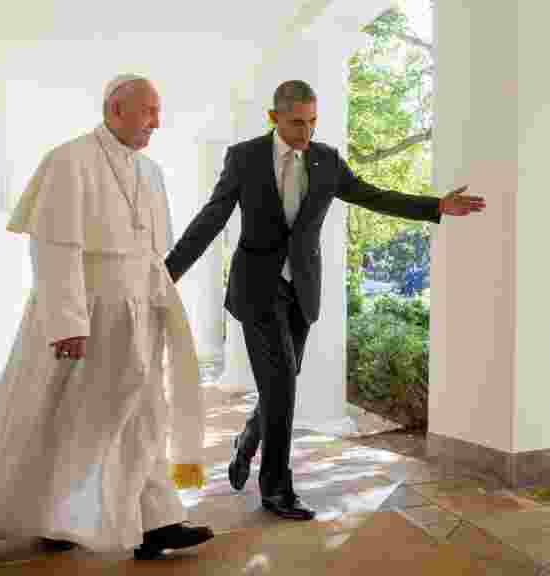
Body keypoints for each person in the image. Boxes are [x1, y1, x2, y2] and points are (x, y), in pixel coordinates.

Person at [165, 80, 485, 521]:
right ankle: (276, 489)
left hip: (302, 288)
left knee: (284, 381)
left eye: (313, 120)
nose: (306, 131)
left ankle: (247, 439)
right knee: (282, 385)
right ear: (274, 117)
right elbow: (211, 217)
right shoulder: (244, 158)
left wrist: (436, 207)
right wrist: (167, 274)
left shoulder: (327, 160)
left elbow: (375, 195)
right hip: (258, 288)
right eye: (297, 122)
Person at [0, 74, 214, 560]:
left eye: (158, 112)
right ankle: (55, 517)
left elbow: (150, 251)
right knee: (79, 421)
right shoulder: (69, 160)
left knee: (146, 414)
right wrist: (68, 323)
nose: (157, 122)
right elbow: (55, 250)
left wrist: (159, 303)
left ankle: (158, 522)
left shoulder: (150, 172)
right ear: (114, 110)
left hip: (140, 314)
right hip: (89, 314)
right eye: (148, 111)